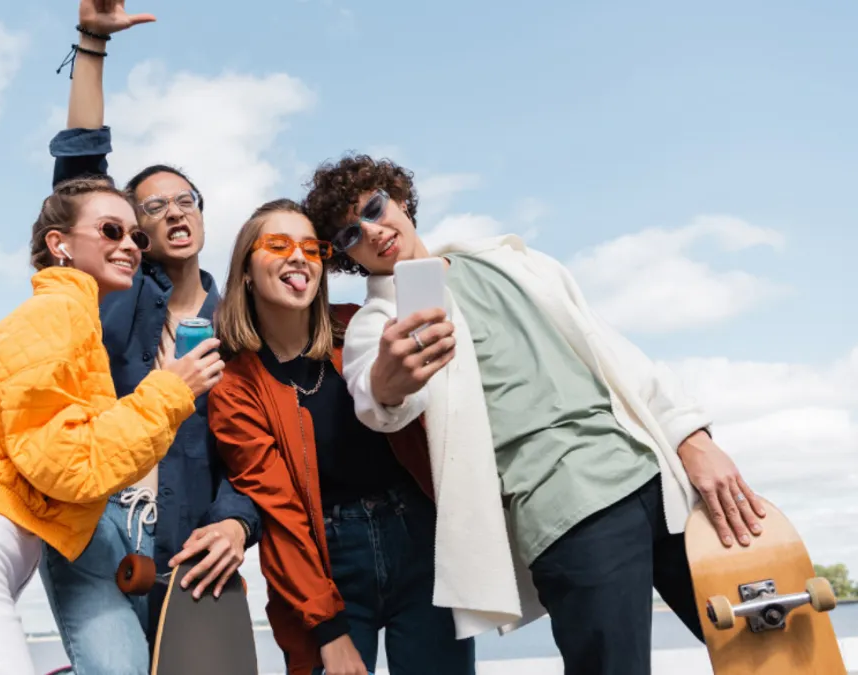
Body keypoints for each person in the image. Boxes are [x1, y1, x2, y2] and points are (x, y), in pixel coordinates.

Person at [301, 154, 768, 675]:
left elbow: (616, 354)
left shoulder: (511, 260)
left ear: (400, 198)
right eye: (348, 235)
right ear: (347, 258)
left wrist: (694, 441)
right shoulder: (379, 323)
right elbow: (375, 401)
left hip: (666, 481)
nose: (370, 230)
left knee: (769, 653)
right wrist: (393, 376)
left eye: (373, 207)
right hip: (569, 513)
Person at [0, 178, 225, 675]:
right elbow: (68, 466)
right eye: (109, 230)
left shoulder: (75, 320)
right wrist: (172, 390)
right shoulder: (56, 315)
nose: (128, 245)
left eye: (134, 237)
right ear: (59, 244)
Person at [40, 2, 261, 673]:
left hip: (190, 546)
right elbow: (81, 174)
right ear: (134, 230)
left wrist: (236, 522)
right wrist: (92, 45)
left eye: (185, 198)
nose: (173, 211)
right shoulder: (116, 292)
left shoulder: (241, 329)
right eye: (152, 206)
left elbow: (259, 458)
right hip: (93, 525)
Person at [207, 199, 475, 675]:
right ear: (246, 270)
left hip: (419, 537)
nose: (299, 256)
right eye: (278, 244)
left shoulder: (362, 326)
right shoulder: (234, 387)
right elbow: (280, 510)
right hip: (326, 561)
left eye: (312, 248)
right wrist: (328, 630)